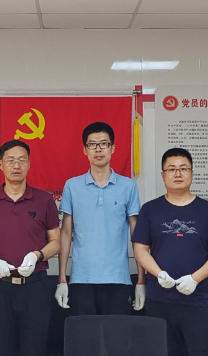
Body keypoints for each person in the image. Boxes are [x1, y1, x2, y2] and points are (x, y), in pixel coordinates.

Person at [132, 148, 208, 356]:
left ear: (192, 173)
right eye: (172, 169)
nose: (178, 173)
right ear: (163, 175)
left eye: (183, 168)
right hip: (159, 300)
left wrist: (195, 278)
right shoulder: (150, 210)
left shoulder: (207, 210)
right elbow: (140, 249)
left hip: (197, 301)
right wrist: (158, 273)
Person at [0, 140, 60, 356]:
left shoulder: (44, 200)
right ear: (1, 164)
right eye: (10, 160)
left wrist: (37, 255)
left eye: (21, 160)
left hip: (35, 288)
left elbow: (56, 242)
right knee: (1, 355)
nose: (16, 165)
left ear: (29, 164)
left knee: (34, 355)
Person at [56, 121, 144, 317]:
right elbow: (66, 233)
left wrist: (141, 281)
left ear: (113, 148)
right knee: (84, 335)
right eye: (92, 144)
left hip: (118, 278)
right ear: (85, 150)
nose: (98, 149)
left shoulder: (128, 186)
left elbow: (136, 234)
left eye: (104, 143)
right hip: (82, 278)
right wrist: (62, 279)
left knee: (117, 335)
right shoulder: (72, 186)